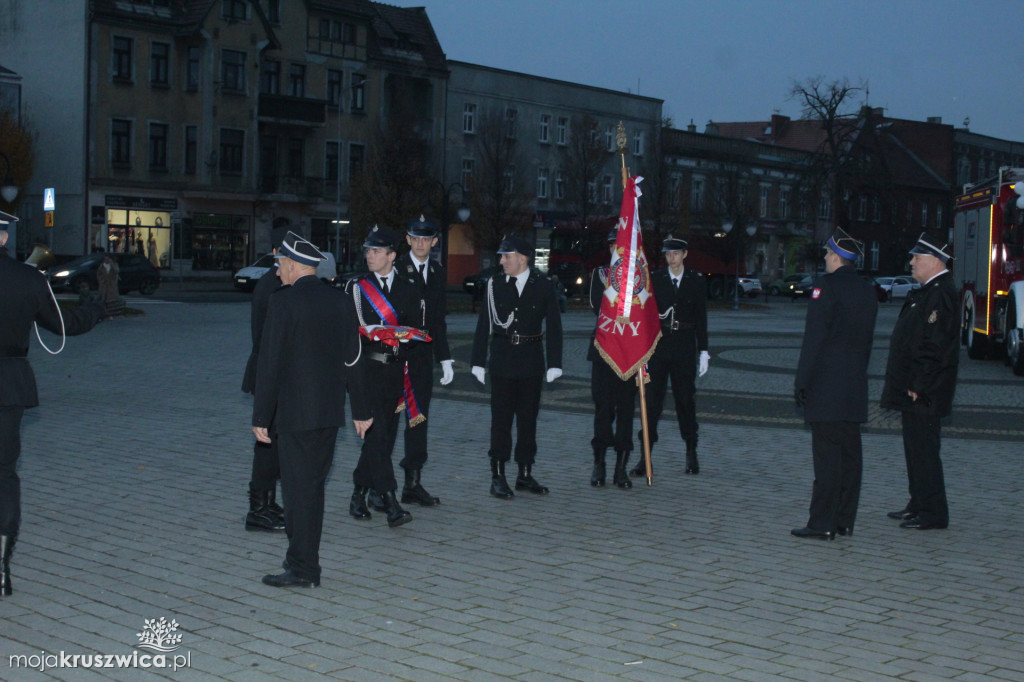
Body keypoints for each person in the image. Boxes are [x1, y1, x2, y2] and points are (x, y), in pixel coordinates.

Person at [253, 231, 370, 588]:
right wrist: (361, 410)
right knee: (313, 488)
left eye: (279, 265)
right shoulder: (340, 301)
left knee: (297, 491)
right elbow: (354, 358)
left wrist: (261, 416)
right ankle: (304, 562)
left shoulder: (283, 302)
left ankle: (302, 568)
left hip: (293, 414)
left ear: (291, 264)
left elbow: (270, 363)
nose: (277, 273)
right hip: (329, 414)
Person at [0, 223, 106, 597]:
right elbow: (63, 325)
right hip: (8, 386)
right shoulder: (27, 278)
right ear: (3, 237)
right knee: (4, 475)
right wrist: (96, 311)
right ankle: (1, 567)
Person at [791, 228, 878, 540]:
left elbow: (814, 339)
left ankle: (822, 522)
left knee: (827, 458)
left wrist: (802, 381)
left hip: (826, 386)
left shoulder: (825, 287)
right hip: (854, 385)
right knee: (850, 457)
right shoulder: (867, 289)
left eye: (828, 254)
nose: (825, 258)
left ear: (838, 257)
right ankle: (844, 519)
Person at [471, 235, 563, 499]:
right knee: (501, 421)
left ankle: (524, 473)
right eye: (501, 256)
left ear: (522, 258)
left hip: (532, 359)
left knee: (528, 420)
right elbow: (483, 325)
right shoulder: (494, 285)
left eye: (506, 256)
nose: (501, 261)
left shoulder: (543, 285)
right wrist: (477, 361)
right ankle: (497, 475)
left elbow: (554, 326)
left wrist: (555, 362)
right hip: (502, 358)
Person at [347, 226, 427, 527]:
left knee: (382, 438)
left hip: (396, 371)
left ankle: (359, 493)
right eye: (368, 251)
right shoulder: (357, 288)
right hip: (366, 372)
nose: (370, 255)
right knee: (377, 435)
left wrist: (403, 338)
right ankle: (391, 502)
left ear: (392, 255)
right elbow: (352, 334)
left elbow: (415, 330)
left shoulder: (408, 287)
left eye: (377, 251)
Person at [881, 233, 959, 531]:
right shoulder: (927, 291)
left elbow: (935, 346)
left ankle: (933, 513)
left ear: (936, 261)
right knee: (915, 449)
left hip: (925, 392)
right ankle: (919, 502)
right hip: (915, 388)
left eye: (918, 257)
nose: (911, 262)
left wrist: (919, 384)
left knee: (925, 451)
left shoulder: (940, 294)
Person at [631, 233, 709, 477]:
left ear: (685, 254)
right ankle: (645, 457)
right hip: (659, 347)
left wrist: (704, 350)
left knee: (685, 400)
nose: (671, 258)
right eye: (667, 253)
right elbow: (644, 316)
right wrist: (641, 349)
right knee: (651, 403)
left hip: (684, 346)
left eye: (675, 253)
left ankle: (691, 451)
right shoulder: (655, 279)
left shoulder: (696, 281)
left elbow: (701, 318)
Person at [391, 217, 454, 507]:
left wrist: (445, 358)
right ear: (407, 240)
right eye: (414, 238)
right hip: (395, 354)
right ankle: (370, 485)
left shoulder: (438, 272)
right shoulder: (396, 269)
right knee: (385, 421)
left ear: (434, 242)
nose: (420, 243)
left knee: (418, 419)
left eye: (425, 239)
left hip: (422, 356)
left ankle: (412, 483)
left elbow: (438, 319)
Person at [240, 226, 288, 533]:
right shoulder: (273, 284)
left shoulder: (276, 282)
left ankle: (267, 502)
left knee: (275, 441)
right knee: (267, 442)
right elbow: (267, 339)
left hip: (274, 374)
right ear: (275, 253)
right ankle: (258, 508)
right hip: (270, 374)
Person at [588, 229, 637, 489]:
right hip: (604, 351)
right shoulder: (601, 274)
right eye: (612, 246)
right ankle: (600, 463)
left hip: (630, 353)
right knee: (603, 410)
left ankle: (621, 467)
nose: (616, 250)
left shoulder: (641, 277)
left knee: (627, 411)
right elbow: (599, 305)